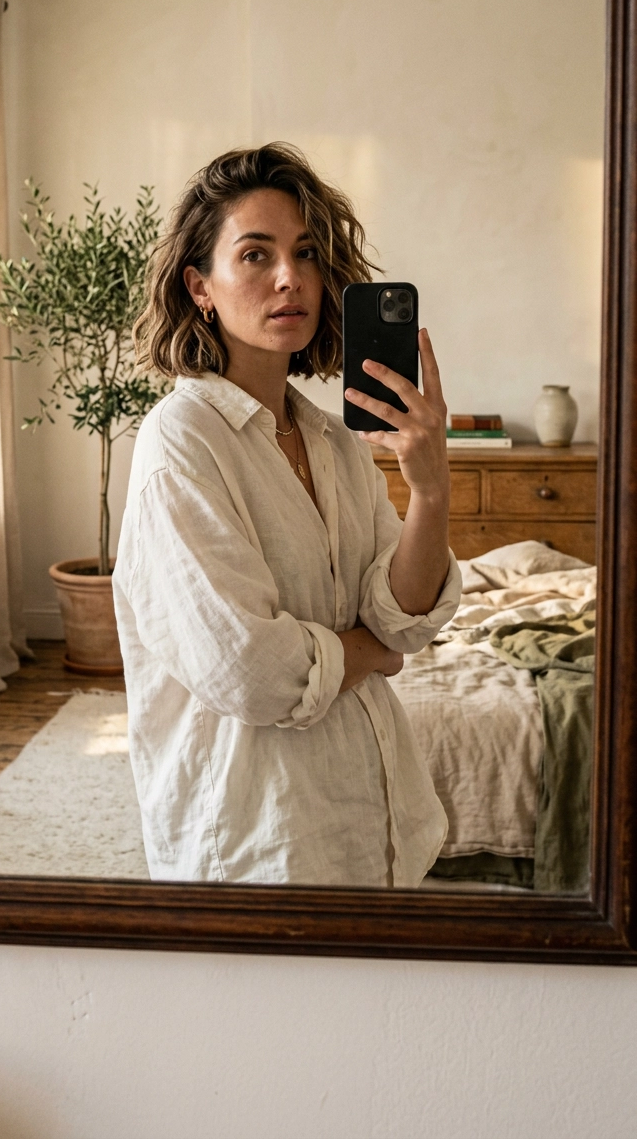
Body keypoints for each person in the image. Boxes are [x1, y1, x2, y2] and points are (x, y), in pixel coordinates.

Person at [113, 142, 461, 886]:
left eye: (305, 253)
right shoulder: (181, 442)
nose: (288, 277)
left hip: (376, 830)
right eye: (255, 254)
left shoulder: (334, 441)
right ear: (200, 287)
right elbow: (249, 671)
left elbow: (403, 619)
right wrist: (369, 654)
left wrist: (431, 491)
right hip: (258, 848)